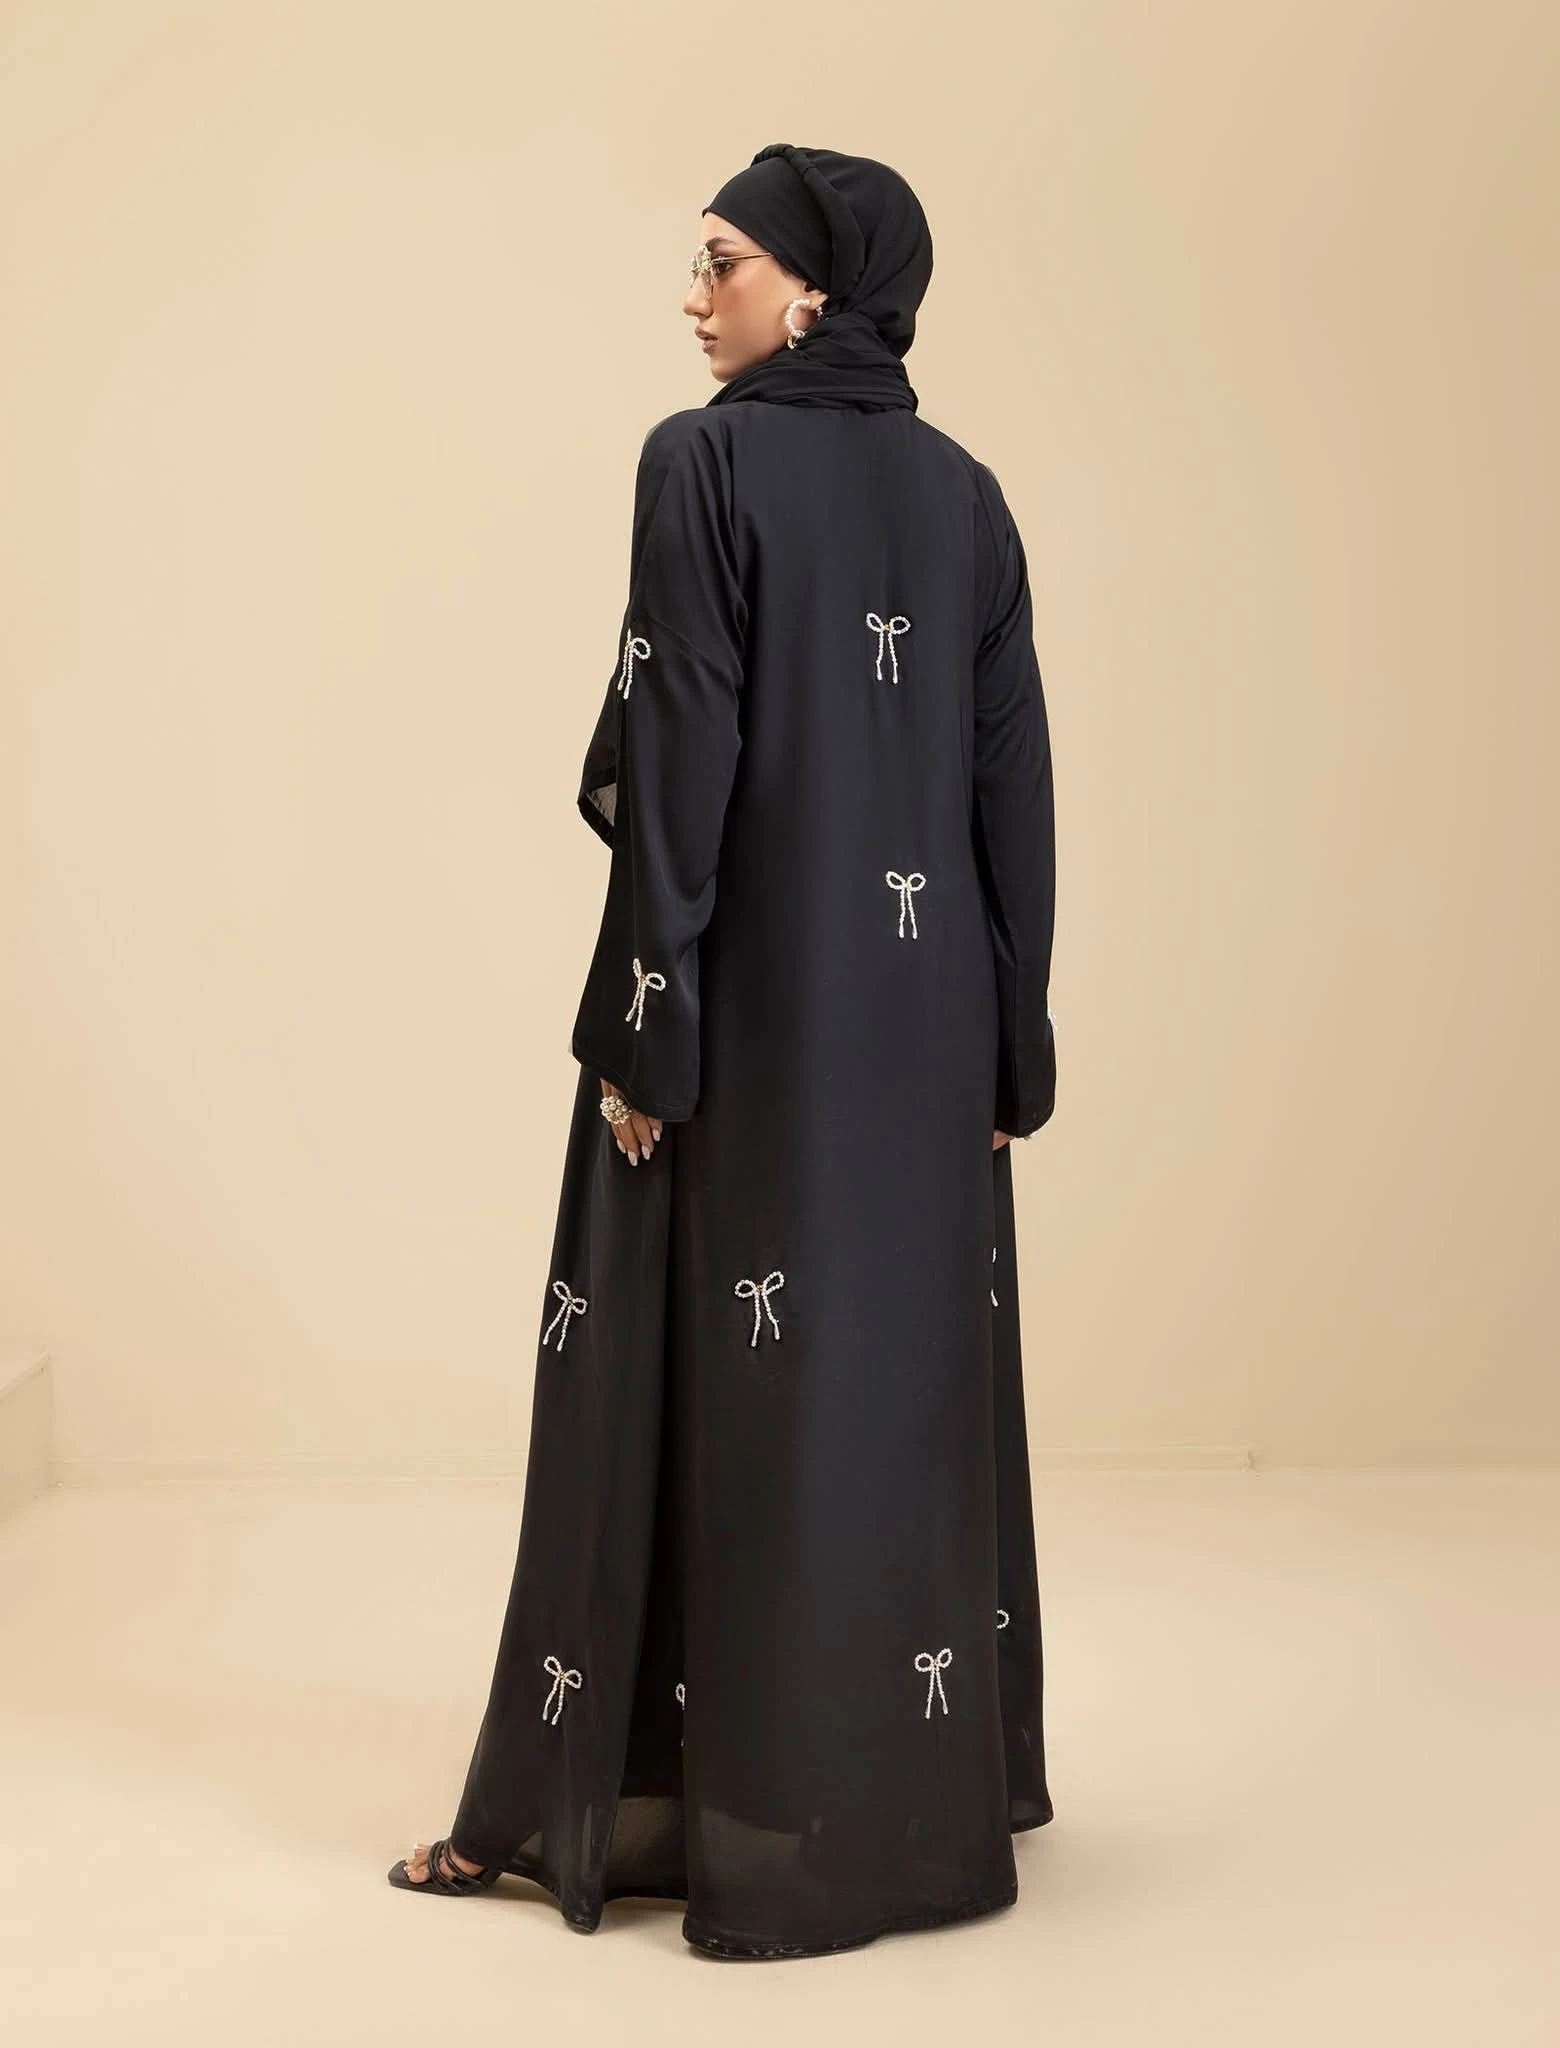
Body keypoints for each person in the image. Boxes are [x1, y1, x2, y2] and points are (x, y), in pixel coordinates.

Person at [388, 142, 1058, 1961]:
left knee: (688, 1379)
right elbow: (1012, 782)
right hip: (920, 1031)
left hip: (751, 1011)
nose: (695, 299)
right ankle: (885, 1808)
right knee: (887, 1391)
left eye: (724, 264)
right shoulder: (970, 496)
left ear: (816, 290)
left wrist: (646, 1027)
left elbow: (681, 750)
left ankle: (626, 1809)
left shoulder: (702, 461)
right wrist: (1014, 1052)